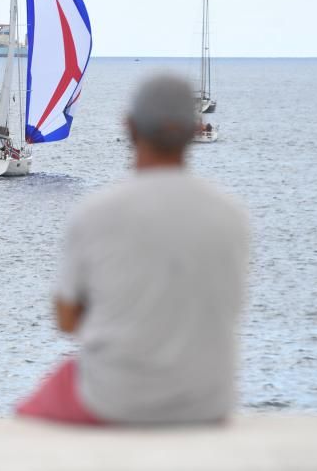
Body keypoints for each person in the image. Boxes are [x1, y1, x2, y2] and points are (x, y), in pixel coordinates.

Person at [16, 74, 248, 425]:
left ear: (129, 127)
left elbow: (66, 319)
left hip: (116, 398)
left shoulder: (97, 213)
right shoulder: (232, 216)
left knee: (31, 413)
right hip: (208, 401)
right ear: (194, 130)